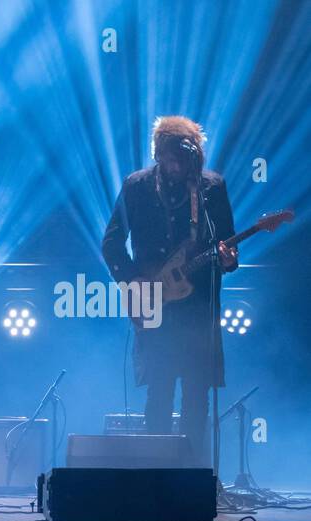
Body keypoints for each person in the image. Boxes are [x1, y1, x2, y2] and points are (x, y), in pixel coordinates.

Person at [101, 116, 238, 467]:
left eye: (182, 158)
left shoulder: (212, 187)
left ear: (194, 156)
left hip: (197, 309)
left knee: (197, 396)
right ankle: (155, 475)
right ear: (158, 154)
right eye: (169, 157)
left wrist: (226, 259)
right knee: (159, 394)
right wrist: (133, 282)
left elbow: (227, 247)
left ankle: (195, 475)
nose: (176, 166)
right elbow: (112, 243)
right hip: (154, 307)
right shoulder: (136, 186)